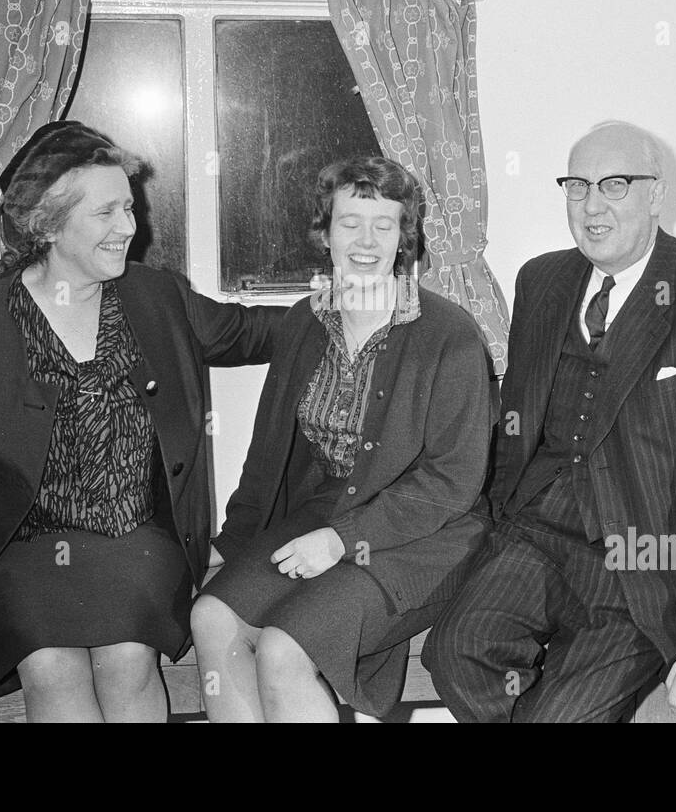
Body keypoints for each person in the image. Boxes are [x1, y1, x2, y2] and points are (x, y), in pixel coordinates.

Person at [0, 121, 285, 722]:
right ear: (48, 222)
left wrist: (346, 300)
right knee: (51, 667)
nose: (129, 228)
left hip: (138, 536)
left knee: (126, 660)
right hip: (18, 542)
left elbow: (253, 331)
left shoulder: (155, 297)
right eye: (106, 213)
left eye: (129, 208)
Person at [424, 120, 676, 722]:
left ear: (656, 196)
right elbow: (516, 424)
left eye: (615, 185)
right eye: (577, 186)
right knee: (454, 655)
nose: (592, 205)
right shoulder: (541, 279)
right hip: (537, 533)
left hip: (646, 555)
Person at [190, 156, 492, 722]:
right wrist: (231, 544)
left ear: (406, 237)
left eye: (386, 224)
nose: (367, 240)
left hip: (427, 535)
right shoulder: (307, 320)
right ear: (324, 232)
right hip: (324, 515)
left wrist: (341, 538)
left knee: (283, 649)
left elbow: (452, 482)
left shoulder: (448, 334)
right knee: (211, 616)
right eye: (350, 222)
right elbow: (268, 452)